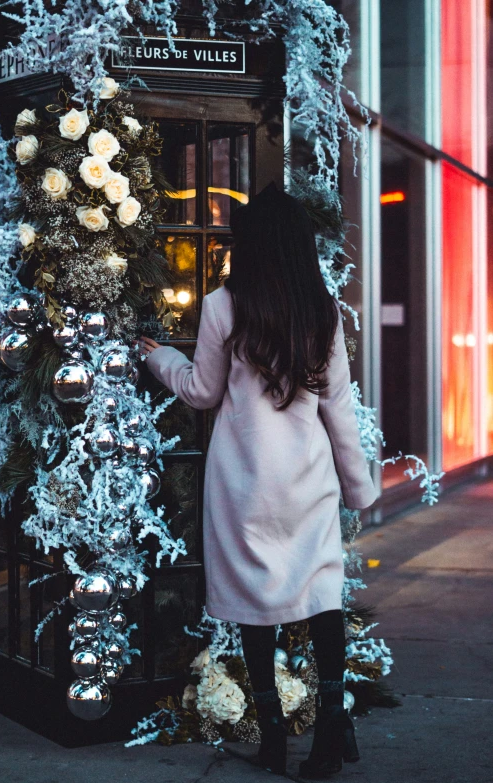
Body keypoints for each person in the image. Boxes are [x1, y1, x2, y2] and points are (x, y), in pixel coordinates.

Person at [138, 182, 378, 779]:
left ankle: (271, 734)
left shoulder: (224, 305)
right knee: (322, 600)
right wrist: (359, 487)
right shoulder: (320, 311)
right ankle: (329, 726)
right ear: (298, 246)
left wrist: (157, 356)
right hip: (308, 481)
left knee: (254, 609)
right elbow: (339, 410)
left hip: (244, 484)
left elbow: (202, 391)